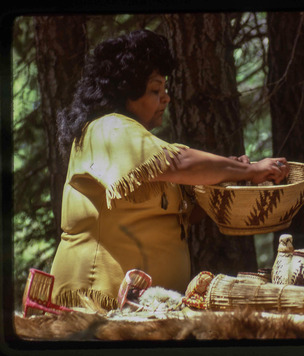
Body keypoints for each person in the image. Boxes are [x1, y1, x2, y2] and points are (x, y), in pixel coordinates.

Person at [50, 29, 289, 310]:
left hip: (137, 311)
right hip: (93, 308)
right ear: (125, 92)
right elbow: (178, 162)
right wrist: (246, 171)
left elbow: (177, 216)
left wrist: (225, 180)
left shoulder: (138, 143)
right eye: (155, 90)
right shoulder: (108, 127)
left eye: (164, 90)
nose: (166, 98)